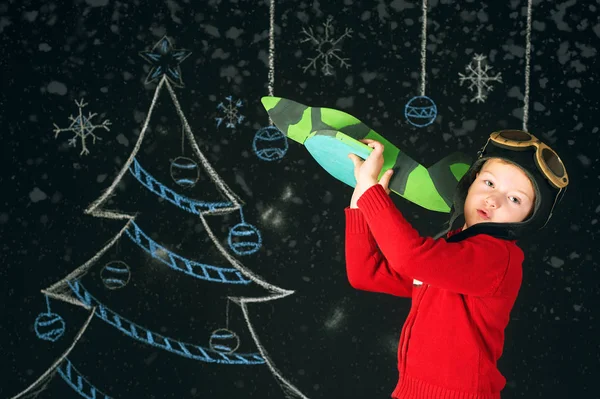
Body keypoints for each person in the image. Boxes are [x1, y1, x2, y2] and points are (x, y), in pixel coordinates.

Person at [345, 130, 569, 399]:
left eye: (514, 199)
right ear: (471, 181)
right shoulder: (453, 250)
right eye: (489, 183)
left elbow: (409, 256)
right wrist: (361, 196)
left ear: (528, 218)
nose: (493, 200)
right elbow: (367, 274)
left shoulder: (496, 259)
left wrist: (372, 191)